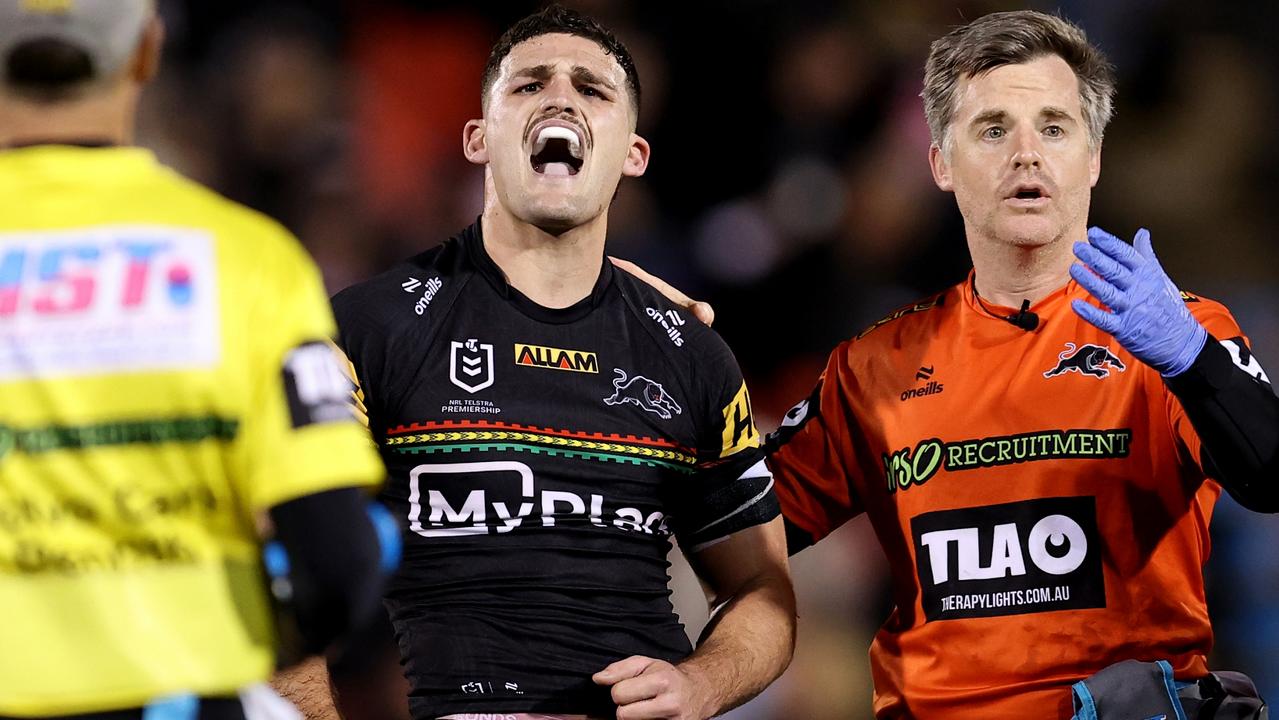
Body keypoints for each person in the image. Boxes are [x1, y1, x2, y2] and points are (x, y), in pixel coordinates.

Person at [631, 9, 1277, 720]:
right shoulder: (872, 366)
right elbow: (723, 526)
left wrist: (1190, 359)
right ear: (939, 162)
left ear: (1091, 157)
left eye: (1054, 128)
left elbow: (1269, 477)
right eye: (993, 129)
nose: (1025, 154)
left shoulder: (1177, 334)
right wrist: (663, 372)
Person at [321, 5, 796, 720]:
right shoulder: (369, 329)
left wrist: (700, 684)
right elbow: (281, 567)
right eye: (528, 84)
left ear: (632, 153)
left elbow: (761, 587)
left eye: (592, 89)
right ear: (478, 139)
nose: (560, 97)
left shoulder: (690, 351)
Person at [0, 1, 395, 718]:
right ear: (146, 51)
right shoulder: (248, 260)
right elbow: (340, 564)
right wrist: (243, 648)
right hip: (176, 692)